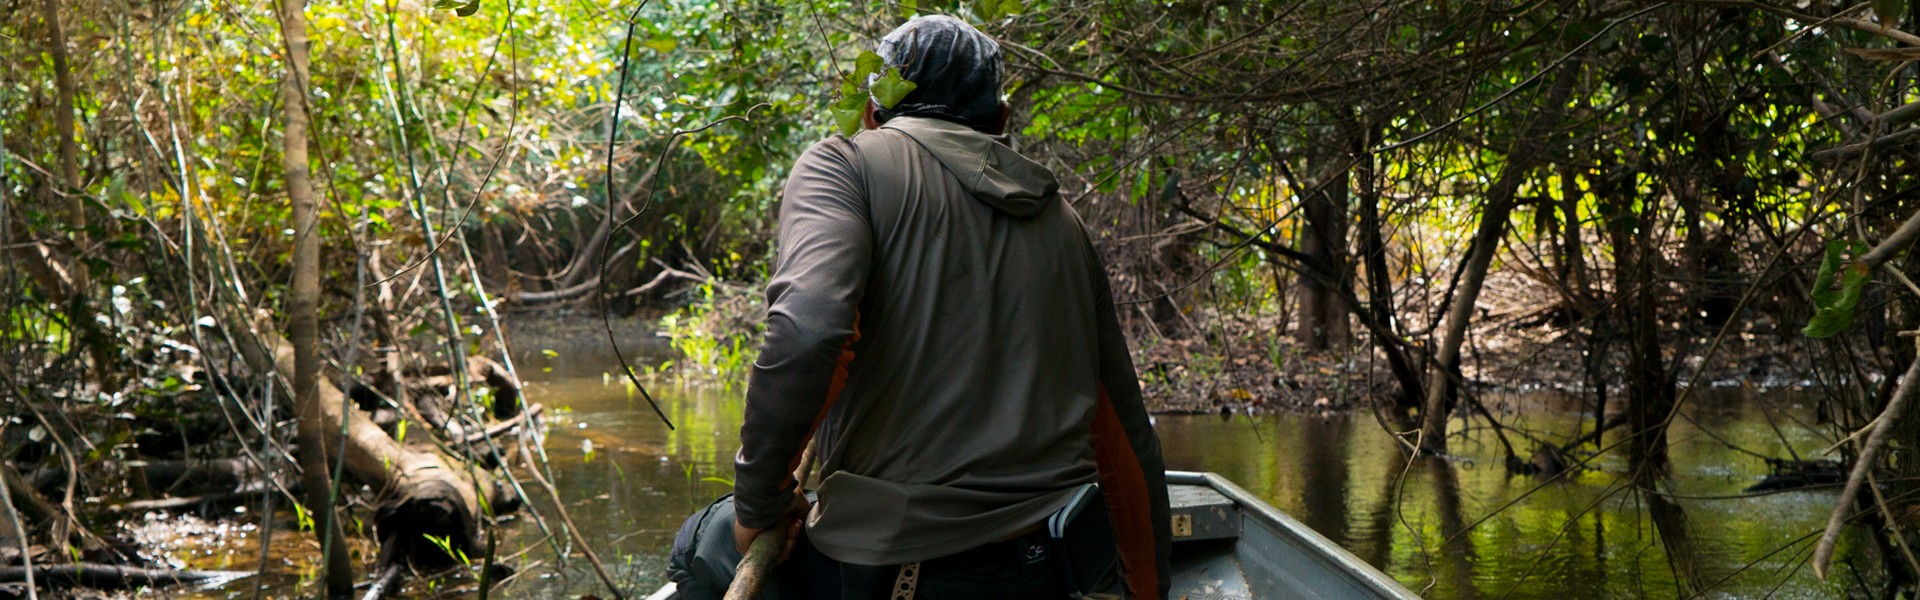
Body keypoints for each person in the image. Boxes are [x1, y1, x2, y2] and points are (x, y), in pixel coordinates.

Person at [731, 14, 1171, 599]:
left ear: (870, 113)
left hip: (898, 570)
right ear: (1002, 120)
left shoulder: (844, 165)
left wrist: (759, 502)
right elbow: (1124, 437)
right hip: (1057, 563)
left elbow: (812, 335)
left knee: (700, 544)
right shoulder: (1065, 223)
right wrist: (1149, 590)